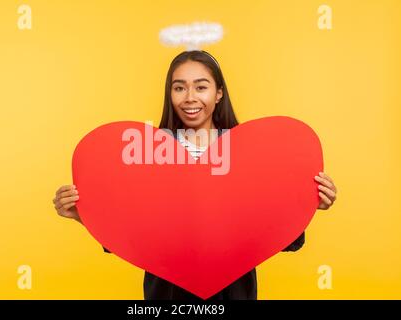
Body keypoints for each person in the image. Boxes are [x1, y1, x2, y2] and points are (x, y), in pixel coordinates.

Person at [52, 50, 338, 300]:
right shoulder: (146, 156)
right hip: (166, 295)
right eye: (179, 88)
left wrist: (308, 204)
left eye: (201, 87)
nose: (190, 98)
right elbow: (135, 233)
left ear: (219, 92)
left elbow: (281, 236)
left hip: (235, 292)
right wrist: (85, 216)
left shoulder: (251, 154)